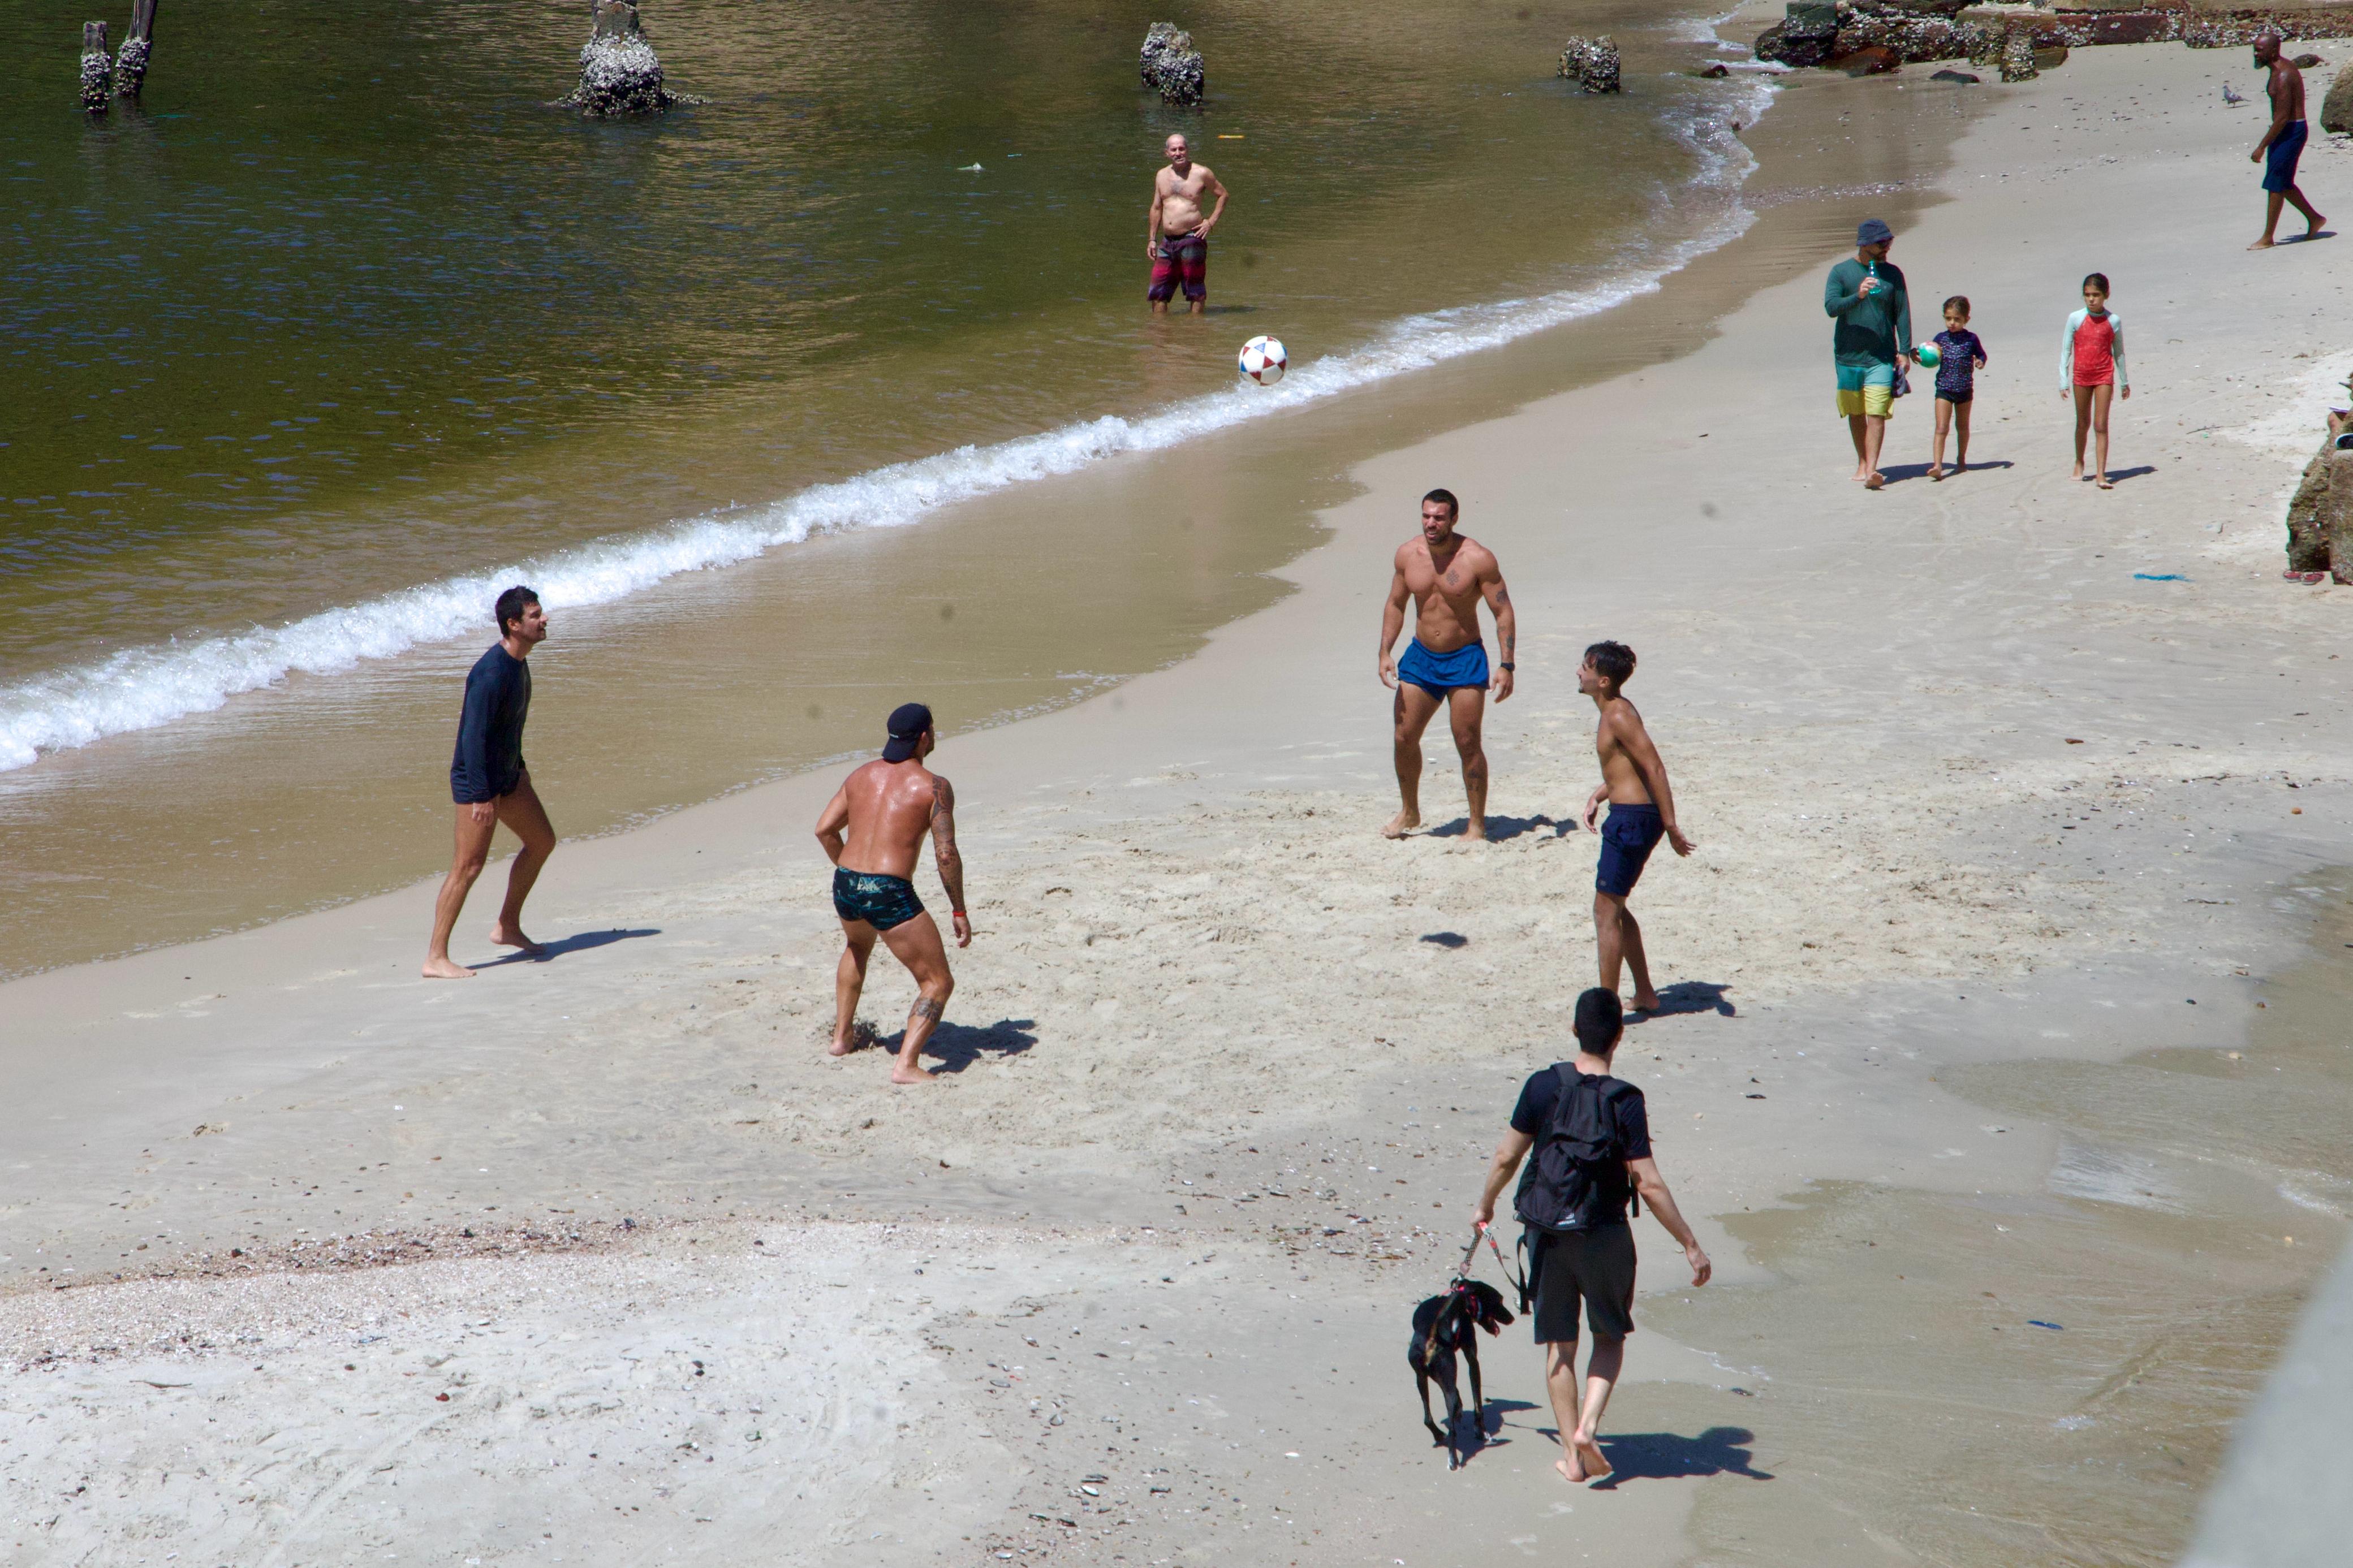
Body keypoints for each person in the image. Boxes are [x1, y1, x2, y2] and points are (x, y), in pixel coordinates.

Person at [1470, 988, 1712, 1485]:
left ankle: (1573, 1458)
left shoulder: (1543, 1085)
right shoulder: (1625, 1099)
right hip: (1605, 1234)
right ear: (1619, 1036)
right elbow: (1646, 1181)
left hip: (1548, 1233)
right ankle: (1588, 1427)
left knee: (1560, 1346)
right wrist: (1689, 1241)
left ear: (1574, 1028)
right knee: (1609, 1336)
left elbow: (1506, 1157)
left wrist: (1486, 1203)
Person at [814, 703, 971, 1084]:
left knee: (857, 948)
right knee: (938, 981)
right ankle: (906, 1066)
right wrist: (958, 910)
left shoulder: (859, 776)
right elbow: (946, 853)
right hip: (889, 890)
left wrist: (850, 872)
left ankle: (841, 1039)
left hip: (847, 883)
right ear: (924, 737)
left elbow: (824, 829)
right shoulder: (934, 786)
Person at [424, 586, 558, 979]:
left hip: (508, 776)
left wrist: (519, 766)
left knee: (542, 841)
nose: (544, 619)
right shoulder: (490, 672)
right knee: (468, 865)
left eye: (540, 612)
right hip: (478, 783)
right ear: (513, 624)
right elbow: (473, 738)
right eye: (535, 615)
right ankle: (435, 956)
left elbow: (508, 728)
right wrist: (482, 796)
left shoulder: (520, 662)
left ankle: (508, 926)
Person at [1378, 488, 1516, 841]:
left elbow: (1502, 609)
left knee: (1467, 741)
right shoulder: (1408, 554)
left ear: (1454, 519)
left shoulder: (1477, 558)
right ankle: (1410, 811)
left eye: (1439, 517)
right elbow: (1396, 604)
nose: (1431, 523)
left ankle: (1476, 824)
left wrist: (1507, 665)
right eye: (1426, 516)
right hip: (1421, 658)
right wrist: (1385, 652)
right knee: (1403, 737)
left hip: (1464, 658)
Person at [1579, 642, 1691, 1013]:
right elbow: (1626, 767)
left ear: (1604, 680)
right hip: (1629, 813)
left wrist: (1672, 824)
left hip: (1633, 820)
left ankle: (1606, 1011)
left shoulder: (1619, 715)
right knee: (1617, 907)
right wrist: (1600, 794)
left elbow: (1654, 767)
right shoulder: (1612, 709)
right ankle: (1644, 993)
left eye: (1586, 668)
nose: (1579, 672)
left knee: (1604, 912)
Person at [1823, 218, 1913, 491]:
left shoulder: (1894, 275)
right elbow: (1831, 307)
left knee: (1876, 412)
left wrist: (1905, 351)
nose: (1886, 247)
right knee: (1856, 412)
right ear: (1864, 244)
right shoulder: (1841, 272)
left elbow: (1903, 313)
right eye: (1880, 243)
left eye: (1889, 242)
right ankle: (1862, 462)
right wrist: (1857, 297)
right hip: (1848, 356)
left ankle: (1873, 469)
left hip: (1882, 357)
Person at [2249, 32, 2325, 250]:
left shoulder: (2283, 75)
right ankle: (2315, 219)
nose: (2256, 54)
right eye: (2255, 49)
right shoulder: (2276, 69)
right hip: (2286, 130)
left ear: (2273, 51)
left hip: (2292, 131)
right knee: (2282, 182)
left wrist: (2261, 147)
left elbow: (2282, 118)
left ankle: (2267, 237)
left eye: (2260, 50)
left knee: (2275, 183)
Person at [2061, 272, 2130, 489]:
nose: (2092, 299)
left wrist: (2124, 381)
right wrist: (2063, 381)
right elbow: (2065, 351)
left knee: (2101, 425)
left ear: (2106, 295)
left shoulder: (2114, 321)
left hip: (2103, 376)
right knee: (2083, 423)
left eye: (2096, 295)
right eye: (2087, 295)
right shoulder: (2075, 318)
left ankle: (2101, 474)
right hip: (2081, 376)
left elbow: (2119, 352)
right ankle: (2079, 462)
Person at [1147, 133, 1227, 315]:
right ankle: (1160, 335)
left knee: (1195, 292)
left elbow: (1223, 195)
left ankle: (1195, 334)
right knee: (1158, 292)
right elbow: (1157, 207)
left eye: (1182, 149)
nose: (1178, 153)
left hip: (1192, 237)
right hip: (1167, 242)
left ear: (1188, 150)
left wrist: (1210, 222)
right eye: (1173, 150)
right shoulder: (1161, 175)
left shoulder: (1201, 173)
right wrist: (1152, 239)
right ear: (1166, 153)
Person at [1926, 295, 1989, 481]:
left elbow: (1982, 355)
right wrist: (1917, 356)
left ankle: (1961, 461)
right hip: (1944, 389)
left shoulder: (1971, 339)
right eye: (1948, 318)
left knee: (1962, 427)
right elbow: (1928, 354)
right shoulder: (1941, 339)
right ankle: (1937, 465)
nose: (1952, 323)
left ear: (1966, 319)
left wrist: (1980, 361)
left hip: (1964, 390)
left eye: (1957, 319)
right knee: (1941, 428)